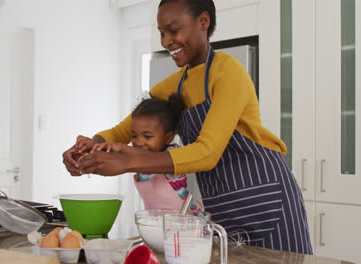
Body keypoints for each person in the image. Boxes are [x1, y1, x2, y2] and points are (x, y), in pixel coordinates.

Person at [62, 0, 312, 254]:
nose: (166, 41)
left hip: (267, 200)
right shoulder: (175, 85)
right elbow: (122, 131)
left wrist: (128, 162)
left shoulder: (228, 71)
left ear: (203, 22)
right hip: (224, 207)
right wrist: (89, 146)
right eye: (162, 33)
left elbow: (207, 152)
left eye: (173, 30)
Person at [86, 94, 204, 213]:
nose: (139, 142)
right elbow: (119, 159)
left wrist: (120, 147)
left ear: (168, 137)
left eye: (147, 136)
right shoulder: (135, 158)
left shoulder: (172, 154)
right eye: (134, 136)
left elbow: (145, 157)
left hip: (181, 225)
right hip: (155, 223)